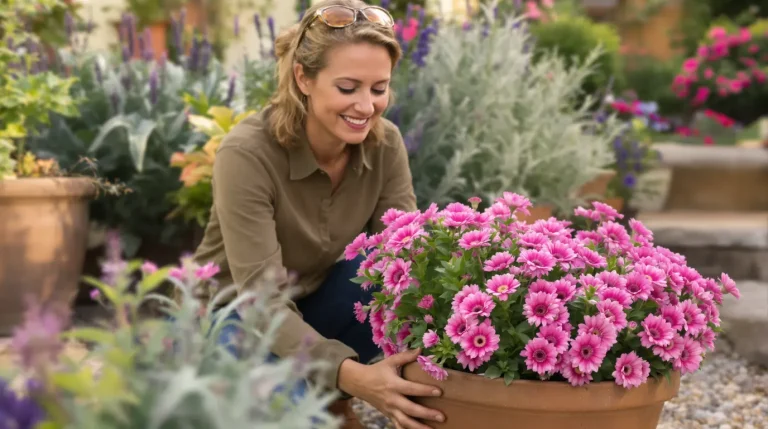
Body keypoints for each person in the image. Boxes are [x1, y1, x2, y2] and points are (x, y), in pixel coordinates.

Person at [192, 1, 446, 428]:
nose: (366, 106)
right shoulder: (247, 153)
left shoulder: (384, 145)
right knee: (297, 421)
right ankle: (322, 398)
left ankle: (327, 394)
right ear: (303, 78)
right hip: (237, 317)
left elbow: (408, 258)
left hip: (316, 305)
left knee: (392, 267)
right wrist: (362, 381)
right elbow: (261, 304)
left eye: (378, 88)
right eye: (348, 88)